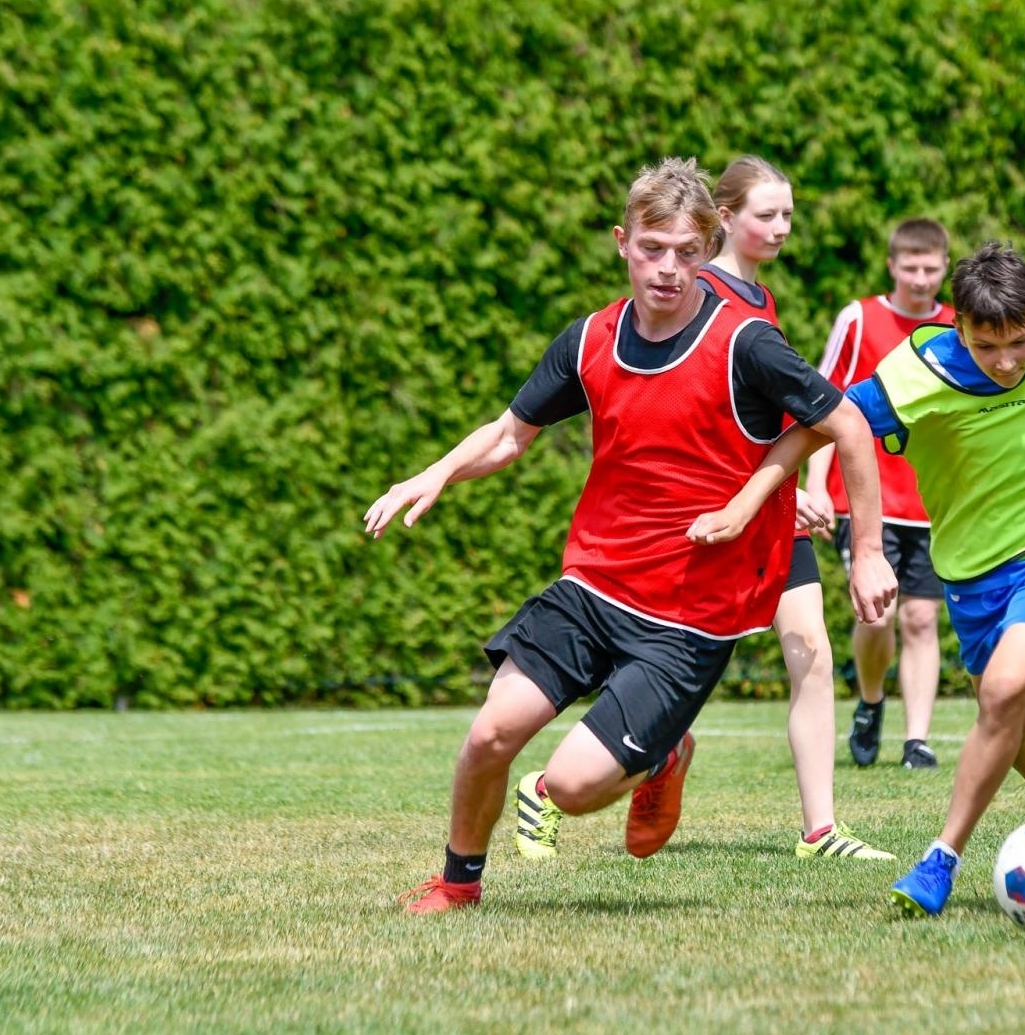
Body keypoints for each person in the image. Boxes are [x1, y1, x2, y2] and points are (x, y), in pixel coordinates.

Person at [366, 158, 898, 915]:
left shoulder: (746, 342)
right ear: (623, 243)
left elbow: (844, 422)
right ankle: (458, 884)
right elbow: (510, 435)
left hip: (688, 616)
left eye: (687, 251)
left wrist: (867, 550)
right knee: (492, 734)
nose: (669, 269)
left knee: (576, 790)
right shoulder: (589, 339)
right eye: (653, 248)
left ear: (706, 247)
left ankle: (663, 754)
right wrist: (436, 473)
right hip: (593, 584)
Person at [695, 240, 1025, 918]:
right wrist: (751, 499)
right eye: (989, 346)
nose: (1009, 360)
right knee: (1003, 702)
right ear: (961, 329)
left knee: (1006, 689)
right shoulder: (916, 372)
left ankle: (941, 860)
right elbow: (825, 425)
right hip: (971, 574)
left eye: (1021, 340)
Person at [697, 155, 895, 860]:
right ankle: (551, 788)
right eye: (765, 214)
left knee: (810, 651)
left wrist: (793, 491)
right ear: (724, 217)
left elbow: (775, 416)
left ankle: (821, 831)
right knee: (658, 669)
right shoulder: (694, 294)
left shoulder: (760, 298)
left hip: (769, 507)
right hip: (705, 513)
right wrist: (753, 495)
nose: (781, 227)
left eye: (787, 214)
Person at [804, 218, 955, 771]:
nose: (920, 278)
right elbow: (825, 405)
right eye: (909, 267)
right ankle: (870, 703)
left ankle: (917, 740)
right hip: (865, 499)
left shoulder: (961, 326)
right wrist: (814, 484)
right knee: (876, 617)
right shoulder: (859, 318)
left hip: (934, 502)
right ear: (892, 266)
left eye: (930, 268)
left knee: (921, 619)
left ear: (944, 267)